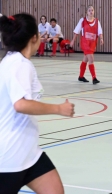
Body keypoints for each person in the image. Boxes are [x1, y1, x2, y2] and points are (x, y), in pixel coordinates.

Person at [0, 13, 75, 194]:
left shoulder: (13, 61)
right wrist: (59, 109)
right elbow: (21, 104)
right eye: (39, 35)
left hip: (29, 154)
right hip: (10, 158)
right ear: (34, 38)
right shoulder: (19, 65)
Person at [70, 5, 103, 85]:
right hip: (85, 43)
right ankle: (94, 78)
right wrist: (73, 41)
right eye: (89, 10)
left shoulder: (97, 21)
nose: (91, 12)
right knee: (91, 59)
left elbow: (100, 32)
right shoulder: (82, 20)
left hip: (92, 43)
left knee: (85, 59)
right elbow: (76, 31)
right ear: (86, 12)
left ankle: (81, 76)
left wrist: (101, 38)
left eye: (92, 10)